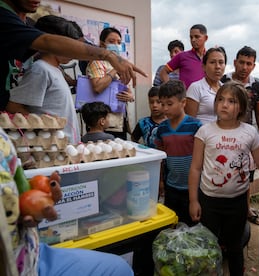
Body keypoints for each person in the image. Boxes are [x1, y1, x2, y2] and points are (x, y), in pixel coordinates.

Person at [0, 127, 134, 275]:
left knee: (119, 268)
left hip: (30, 251)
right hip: (18, 268)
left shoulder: (3, 141)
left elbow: (18, 195)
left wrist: (25, 211)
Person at [0, 0, 147, 111]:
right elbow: (47, 42)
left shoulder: (28, 25)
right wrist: (109, 56)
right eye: (112, 41)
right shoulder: (40, 67)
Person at [188, 81, 259, 275]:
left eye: (231, 101)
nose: (224, 104)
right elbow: (196, 168)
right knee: (208, 245)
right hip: (209, 201)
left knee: (235, 246)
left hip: (237, 203)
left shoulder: (249, 132)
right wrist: (193, 201)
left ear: (241, 107)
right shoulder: (205, 131)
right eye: (220, 100)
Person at [6, 15, 81, 144]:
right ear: (54, 42)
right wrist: (44, 125)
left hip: (66, 146)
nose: (73, 52)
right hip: (53, 146)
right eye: (70, 45)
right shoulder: (40, 69)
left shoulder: (55, 70)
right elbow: (13, 105)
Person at [221, 46, 259, 225]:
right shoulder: (224, 81)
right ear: (235, 62)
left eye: (249, 63)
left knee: (246, 174)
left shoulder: (256, 85)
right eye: (241, 62)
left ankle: (246, 208)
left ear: (253, 66)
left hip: (247, 138)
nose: (244, 67)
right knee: (224, 170)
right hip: (224, 135)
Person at [154, 80, 202, 226]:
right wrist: (161, 181)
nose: (165, 108)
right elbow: (160, 158)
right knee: (172, 226)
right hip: (171, 188)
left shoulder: (196, 126)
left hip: (194, 190)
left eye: (170, 104)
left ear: (183, 102)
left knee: (192, 227)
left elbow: (202, 159)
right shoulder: (161, 130)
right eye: (162, 104)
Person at [86, 27, 135, 140]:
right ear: (102, 44)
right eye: (111, 41)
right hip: (100, 123)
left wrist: (130, 96)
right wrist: (115, 70)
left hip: (118, 122)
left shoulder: (120, 64)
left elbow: (127, 90)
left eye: (118, 42)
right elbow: (97, 87)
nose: (116, 45)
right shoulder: (96, 63)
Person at [185, 47, 227, 125]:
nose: (217, 66)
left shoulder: (226, 89)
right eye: (212, 62)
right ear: (203, 66)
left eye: (221, 62)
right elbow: (189, 122)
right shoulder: (196, 87)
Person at [159, 24, 208, 89]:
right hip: (186, 98)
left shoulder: (210, 58)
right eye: (191, 37)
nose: (193, 40)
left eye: (197, 37)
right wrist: (172, 91)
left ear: (205, 38)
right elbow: (163, 72)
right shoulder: (182, 56)